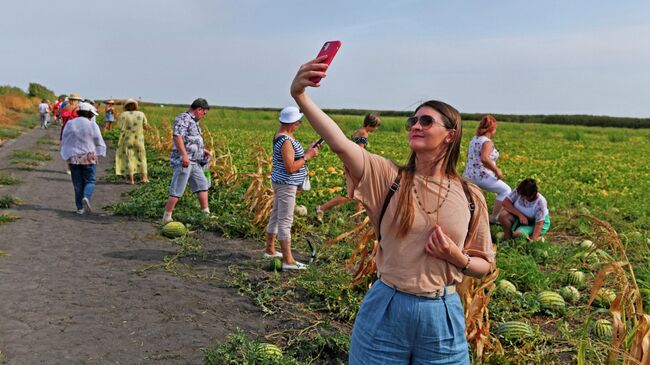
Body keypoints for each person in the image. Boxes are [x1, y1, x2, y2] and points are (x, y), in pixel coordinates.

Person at [290, 56, 494, 364]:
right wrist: (301, 96)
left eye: (427, 121)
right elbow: (341, 144)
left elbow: (484, 265)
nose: (416, 125)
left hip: (441, 314)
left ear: (451, 134)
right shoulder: (388, 177)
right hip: (387, 306)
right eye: (413, 120)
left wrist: (457, 257)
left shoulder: (470, 195)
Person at [263, 106, 321, 270]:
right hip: (286, 184)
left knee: (276, 215)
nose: (299, 124)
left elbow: (292, 158)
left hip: (281, 182)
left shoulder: (283, 135)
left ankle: (270, 249)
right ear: (292, 123)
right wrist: (308, 156)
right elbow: (290, 167)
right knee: (285, 220)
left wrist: (308, 150)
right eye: (298, 122)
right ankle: (288, 261)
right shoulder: (286, 140)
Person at [315, 113, 381, 220]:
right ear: (371, 124)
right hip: (355, 165)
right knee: (348, 195)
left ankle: (357, 218)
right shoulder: (364, 133)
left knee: (361, 193)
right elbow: (359, 151)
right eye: (376, 126)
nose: (376, 129)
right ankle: (321, 208)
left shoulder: (359, 131)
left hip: (351, 163)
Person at [162, 98, 213, 223]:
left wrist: (203, 150)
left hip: (195, 161)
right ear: (198, 109)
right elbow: (177, 136)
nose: (203, 116)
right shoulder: (183, 118)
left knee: (202, 185)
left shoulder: (194, 121)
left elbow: (191, 139)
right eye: (203, 113)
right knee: (178, 188)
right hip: (185, 160)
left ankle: (205, 214)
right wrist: (184, 155)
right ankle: (167, 216)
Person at [463, 115, 511, 224]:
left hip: (468, 175)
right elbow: (484, 158)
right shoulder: (487, 142)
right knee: (506, 191)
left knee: (471, 197)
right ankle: (494, 218)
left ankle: (470, 217)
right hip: (481, 176)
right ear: (492, 129)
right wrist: (496, 170)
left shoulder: (474, 139)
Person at [60, 102, 106, 214]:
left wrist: (67, 151)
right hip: (89, 157)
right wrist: (99, 150)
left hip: (74, 157)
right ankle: (86, 196)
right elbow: (98, 140)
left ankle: (80, 208)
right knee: (90, 180)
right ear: (90, 113)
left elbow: (65, 137)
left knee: (77, 183)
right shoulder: (92, 125)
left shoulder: (71, 123)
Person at [115, 99, 148, 185]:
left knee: (129, 158)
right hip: (139, 140)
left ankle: (131, 180)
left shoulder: (123, 115)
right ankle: (144, 178)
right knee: (142, 158)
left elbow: (119, 126)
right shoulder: (141, 114)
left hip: (127, 139)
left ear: (126, 106)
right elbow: (145, 126)